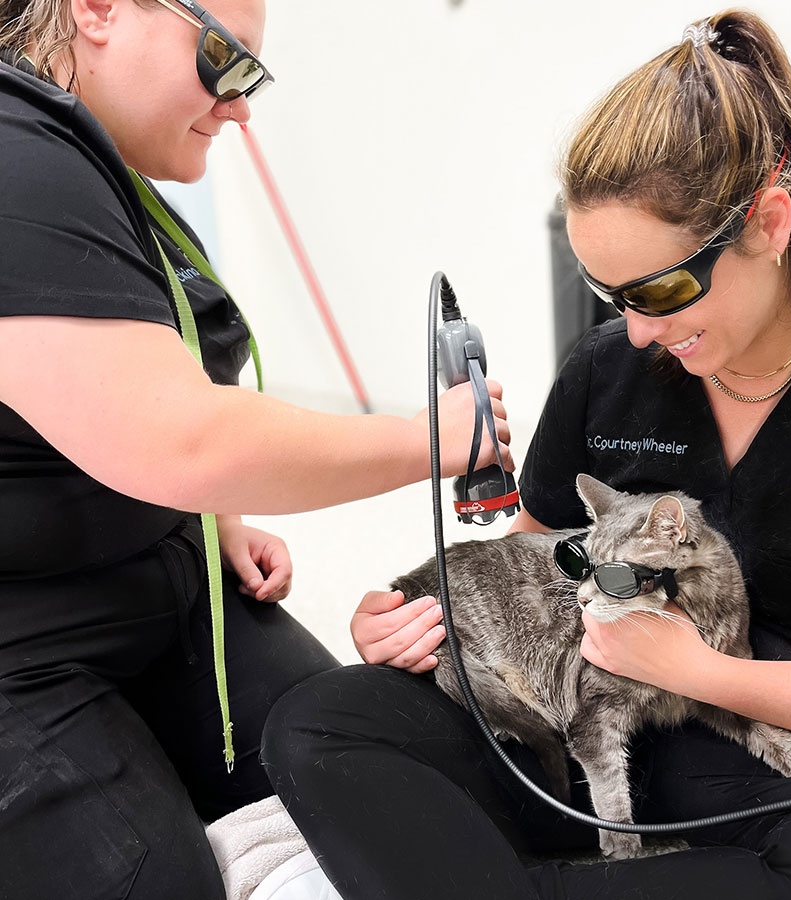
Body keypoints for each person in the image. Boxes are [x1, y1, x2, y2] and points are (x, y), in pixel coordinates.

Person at [261, 9, 791, 900]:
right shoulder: (607, 369)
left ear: (771, 222)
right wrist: (418, 615)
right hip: (572, 720)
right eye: (609, 295)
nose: (635, 332)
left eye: (662, 290)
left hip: (762, 742)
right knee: (318, 724)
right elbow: (530, 563)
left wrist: (705, 673)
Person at [0, 1, 512, 898]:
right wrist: (427, 440)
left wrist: (214, 512)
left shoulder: (97, 165)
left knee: (374, 755)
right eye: (223, 60)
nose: (239, 106)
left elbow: (126, 382)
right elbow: (178, 437)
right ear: (98, 8)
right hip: (25, 638)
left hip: (156, 574)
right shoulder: (15, 163)